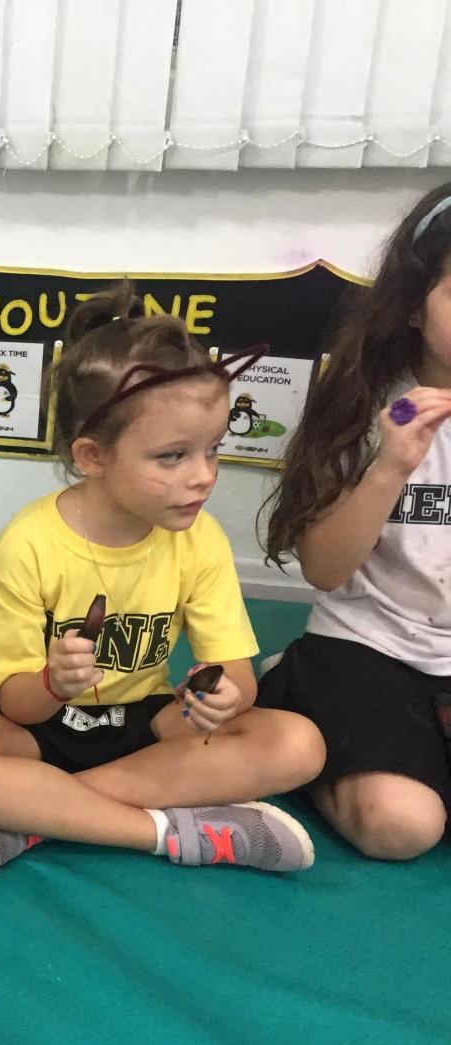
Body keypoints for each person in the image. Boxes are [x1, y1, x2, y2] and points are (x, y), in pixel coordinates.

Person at [0, 287, 325, 873]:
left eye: (213, 450)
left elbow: (233, 674)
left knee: (299, 743)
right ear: (92, 455)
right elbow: (17, 704)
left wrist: (224, 694)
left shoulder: (199, 539)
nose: (204, 477)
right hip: (29, 721)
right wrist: (55, 681)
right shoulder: (27, 544)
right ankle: (163, 833)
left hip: (145, 719)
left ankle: (35, 814)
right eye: (172, 456)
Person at [260, 181, 451, 861]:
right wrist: (389, 471)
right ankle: (295, 685)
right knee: (403, 827)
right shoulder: (372, 406)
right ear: (411, 308)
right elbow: (324, 568)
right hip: (366, 642)